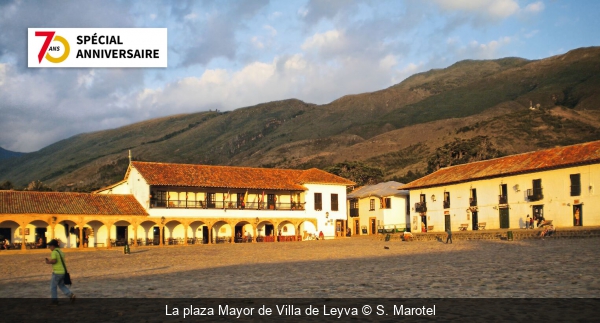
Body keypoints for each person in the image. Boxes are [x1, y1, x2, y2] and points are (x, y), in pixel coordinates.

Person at [45, 239, 75, 305]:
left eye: (49, 246)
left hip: (57, 272)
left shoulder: (54, 252)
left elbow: (54, 261)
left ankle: (54, 301)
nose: (49, 248)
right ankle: (70, 295)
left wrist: (48, 262)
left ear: (53, 246)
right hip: (63, 272)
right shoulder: (61, 252)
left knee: (53, 286)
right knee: (61, 285)